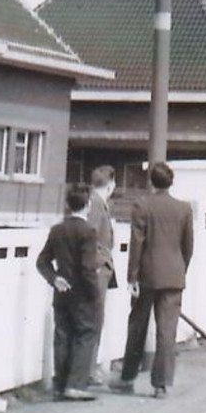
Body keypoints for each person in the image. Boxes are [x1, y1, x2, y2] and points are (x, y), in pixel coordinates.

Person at [109, 161, 194, 399]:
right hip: (174, 276)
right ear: (171, 182)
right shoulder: (184, 208)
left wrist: (132, 276)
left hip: (147, 276)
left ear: (151, 181)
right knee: (167, 331)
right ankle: (161, 385)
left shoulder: (142, 206)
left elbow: (137, 244)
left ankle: (127, 378)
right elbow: (189, 247)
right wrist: (180, 269)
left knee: (137, 326)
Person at [34, 184, 103, 401]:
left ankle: (60, 385)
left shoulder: (57, 230)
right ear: (88, 205)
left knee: (62, 336)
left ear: (67, 204)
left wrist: (54, 279)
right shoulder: (89, 231)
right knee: (86, 335)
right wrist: (95, 293)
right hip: (83, 293)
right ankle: (75, 385)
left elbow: (42, 261)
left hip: (62, 292)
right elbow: (87, 268)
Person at [84, 165, 119, 385]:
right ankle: (88, 370)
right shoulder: (97, 204)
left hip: (97, 269)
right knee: (94, 319)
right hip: (97, 270)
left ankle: (88, 368)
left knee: (94, 319)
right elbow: (89, 236)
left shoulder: (95, 202)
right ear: (111, 185)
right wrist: (97, 265)